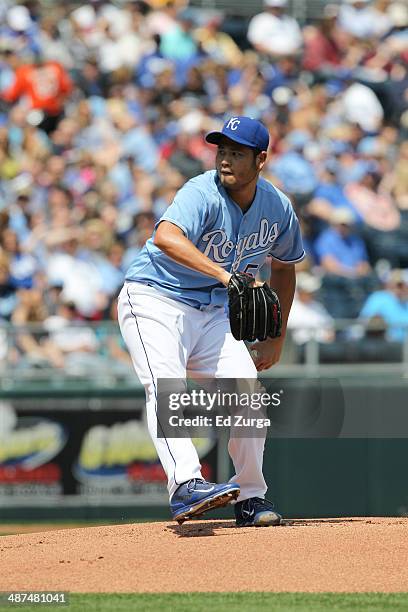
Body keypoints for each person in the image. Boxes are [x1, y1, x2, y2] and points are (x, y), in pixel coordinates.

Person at [118, 116, 304, 526]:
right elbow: (166, 237)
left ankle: (251, 497)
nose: (225, 159)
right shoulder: (201, 191)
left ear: (261, 160)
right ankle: (185, 484)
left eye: (237, 152)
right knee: (165, 386)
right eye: (222, 150)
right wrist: (224, 275)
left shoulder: (278, 207)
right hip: (154, 298)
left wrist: (276, 336)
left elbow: (286, 268)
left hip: (213, 313)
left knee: (248, 394)